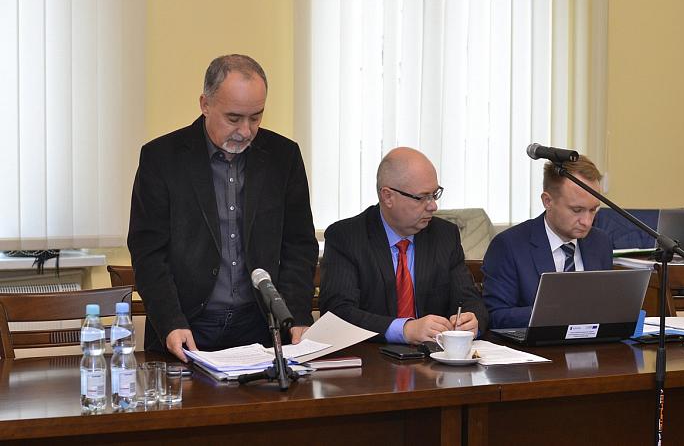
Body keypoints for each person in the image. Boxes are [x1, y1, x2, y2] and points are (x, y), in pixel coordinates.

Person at [128, 54, 318, 362]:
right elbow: (148, 252)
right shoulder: (162, 158)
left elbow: (299, 245)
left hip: (261, 325)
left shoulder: (283, 157)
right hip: (189, 326)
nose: (246, 130)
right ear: (205, 104)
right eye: (233, 118)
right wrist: (171, 321)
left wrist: (295, 314)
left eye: (256, 117)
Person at [319, 147, 488, 344]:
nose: (433, 206)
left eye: (434, 194)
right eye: (422, 197)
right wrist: (404, 329)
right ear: (388, 196)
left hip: (434, 357)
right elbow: (338, 313)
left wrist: (472, 321)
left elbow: (469, 300)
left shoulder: (444, 235)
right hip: (371, 356)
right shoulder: (346, 237)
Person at [482, 155, 613, 329]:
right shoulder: (509, 245)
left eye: (593, 210)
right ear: (547, 201)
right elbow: (495, 316)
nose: (587, 221)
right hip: (536, 344)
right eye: (577, 210)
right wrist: (558, 312)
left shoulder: (600, 242)